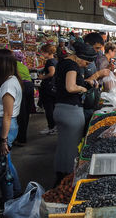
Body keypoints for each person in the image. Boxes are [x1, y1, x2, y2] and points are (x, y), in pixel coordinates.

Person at [53, 42, 96, 186]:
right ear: (79, 57)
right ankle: (66, 182)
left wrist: (84, 83)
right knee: (71, 150)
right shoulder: (72, 66)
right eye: (86, 61)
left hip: (60, 108)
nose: (86, 65)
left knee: (63, 147)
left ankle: (60, 177)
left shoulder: (63, 63)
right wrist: (83, 89)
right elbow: (70, 87)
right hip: (70, 111)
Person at [0, 49, 22, 212]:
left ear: (1, 64)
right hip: (2, 126)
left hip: (2, 127)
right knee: (6, 163)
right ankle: (15, 193)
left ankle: (8, 201)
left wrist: (3, 140)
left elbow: (7, 115)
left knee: (2, 166)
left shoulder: (9, 84)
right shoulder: (9, 80)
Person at [14, 52, 34, 146]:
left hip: (22, 87)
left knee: (21, 114)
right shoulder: (23, 66)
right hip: (29, 86)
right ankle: (22, 138)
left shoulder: (13, 65)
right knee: (25, 114)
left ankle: (20, 139)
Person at [38, 44, 58, 135]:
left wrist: (43, 77)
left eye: (42, 52)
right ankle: (54, 126)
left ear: (47, 52)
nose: (41, 53)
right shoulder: (54, 60)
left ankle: (51, 127)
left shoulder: (50, 61)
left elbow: (52, 73)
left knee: (49, 109)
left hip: (48, 89)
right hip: (53, 88)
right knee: (52, 108)